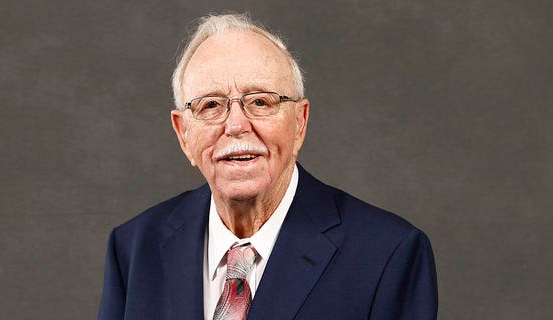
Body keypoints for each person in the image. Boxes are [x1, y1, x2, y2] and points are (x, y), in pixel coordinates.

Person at [98, 13, 438, 320]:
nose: (235, 125)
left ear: (299, 122)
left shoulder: (387, 254)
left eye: (260, 101)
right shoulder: (134, 248)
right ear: (183, 133)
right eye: (211, 105)